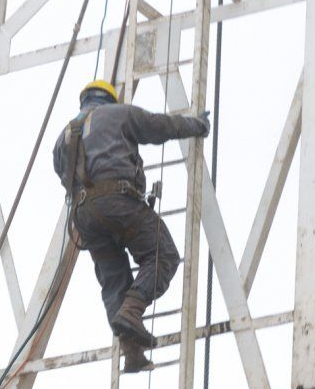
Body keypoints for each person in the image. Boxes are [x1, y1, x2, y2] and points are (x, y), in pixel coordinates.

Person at [52, 80, 210, 373]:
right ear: (109, 99)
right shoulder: (117, 114)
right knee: (163, 254)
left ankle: (132, 352)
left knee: (113, 281)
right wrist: (196, 126)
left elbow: (62, 174)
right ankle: (132, 310)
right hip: (118, 201)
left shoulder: (64, 136)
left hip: (84, 215)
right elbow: (158, 126)